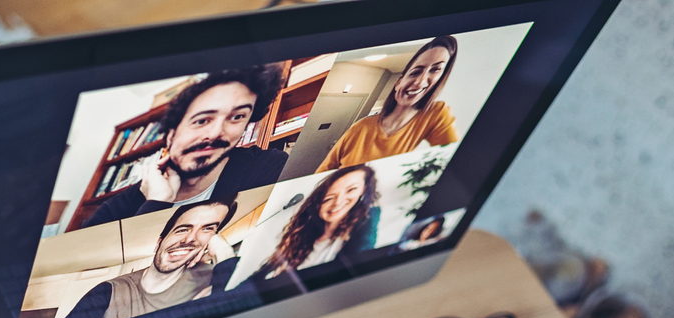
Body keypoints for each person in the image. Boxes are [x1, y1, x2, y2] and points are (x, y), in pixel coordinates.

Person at [83, 65, 286, 227]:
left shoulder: (269, 169)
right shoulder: (114, 211)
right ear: (170, 135)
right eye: (201, 120)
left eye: (236, 117)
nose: (216, 132)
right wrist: (156, 205)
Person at [39, 200, 240, 318]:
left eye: (207, 230)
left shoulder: (218, 275)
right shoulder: (107, 291)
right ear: (158, 242)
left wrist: (222, 251)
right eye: (182, 229)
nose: (190, 239)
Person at [316, 36, 459, 173]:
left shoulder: (436, 113)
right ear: (397, 83)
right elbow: (324, 170)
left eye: (435, 70)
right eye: (415, 72)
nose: (419, 82)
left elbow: (452, 161)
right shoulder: (360, 127)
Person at [245, 165, 379, 288]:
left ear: (364, 190)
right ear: (317, 205)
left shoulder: (363, 227)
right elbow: (257, 278)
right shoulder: (299, 241)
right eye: (329, 198)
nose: (337, 202)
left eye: (351, 190)